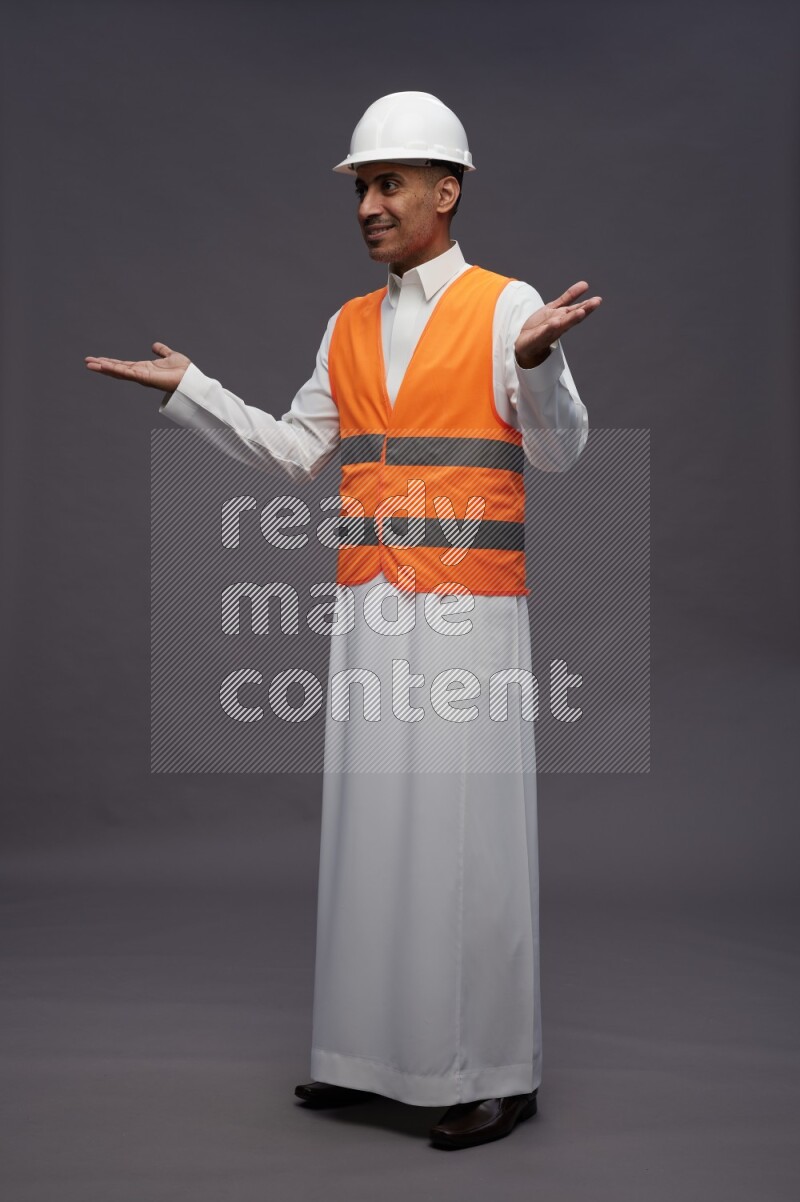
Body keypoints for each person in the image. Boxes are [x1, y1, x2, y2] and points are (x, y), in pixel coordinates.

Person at [85, 91, 601, 1150]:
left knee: (470, 843)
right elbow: (292, 449)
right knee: (373, 834)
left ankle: (497, 1070)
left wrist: (540, 366)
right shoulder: (347, 324)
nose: (367, 204)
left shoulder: (510, 307)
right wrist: (193, 390)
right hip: (369, 605)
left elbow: (561, 451)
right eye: (362, 187)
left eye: (387, 183)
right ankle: (364, 1058)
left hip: (466, 615)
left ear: (444, 190)